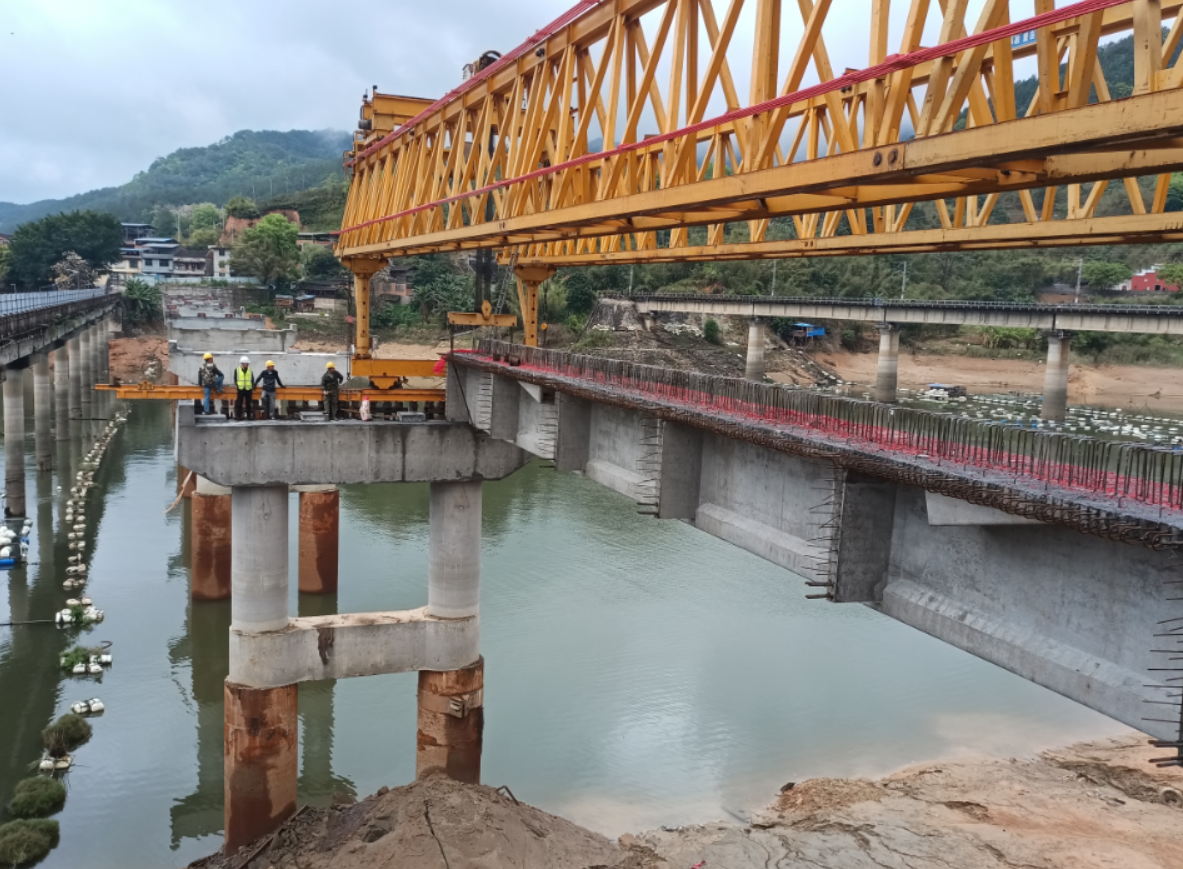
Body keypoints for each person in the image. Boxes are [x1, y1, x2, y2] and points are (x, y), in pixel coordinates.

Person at [233, 356, 255, 421]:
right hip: (240, 388)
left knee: (249, 403)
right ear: (242, 363)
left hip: (248, 389)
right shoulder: (237, 370)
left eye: (248, 363)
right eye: (246, 363)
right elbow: (235, 378)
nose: (248, 364)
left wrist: (252, 386)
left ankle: (249, 416)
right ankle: (238, 416)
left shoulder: (250, 370)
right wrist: (236, 385)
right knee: (239, 403)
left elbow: (252, 379)